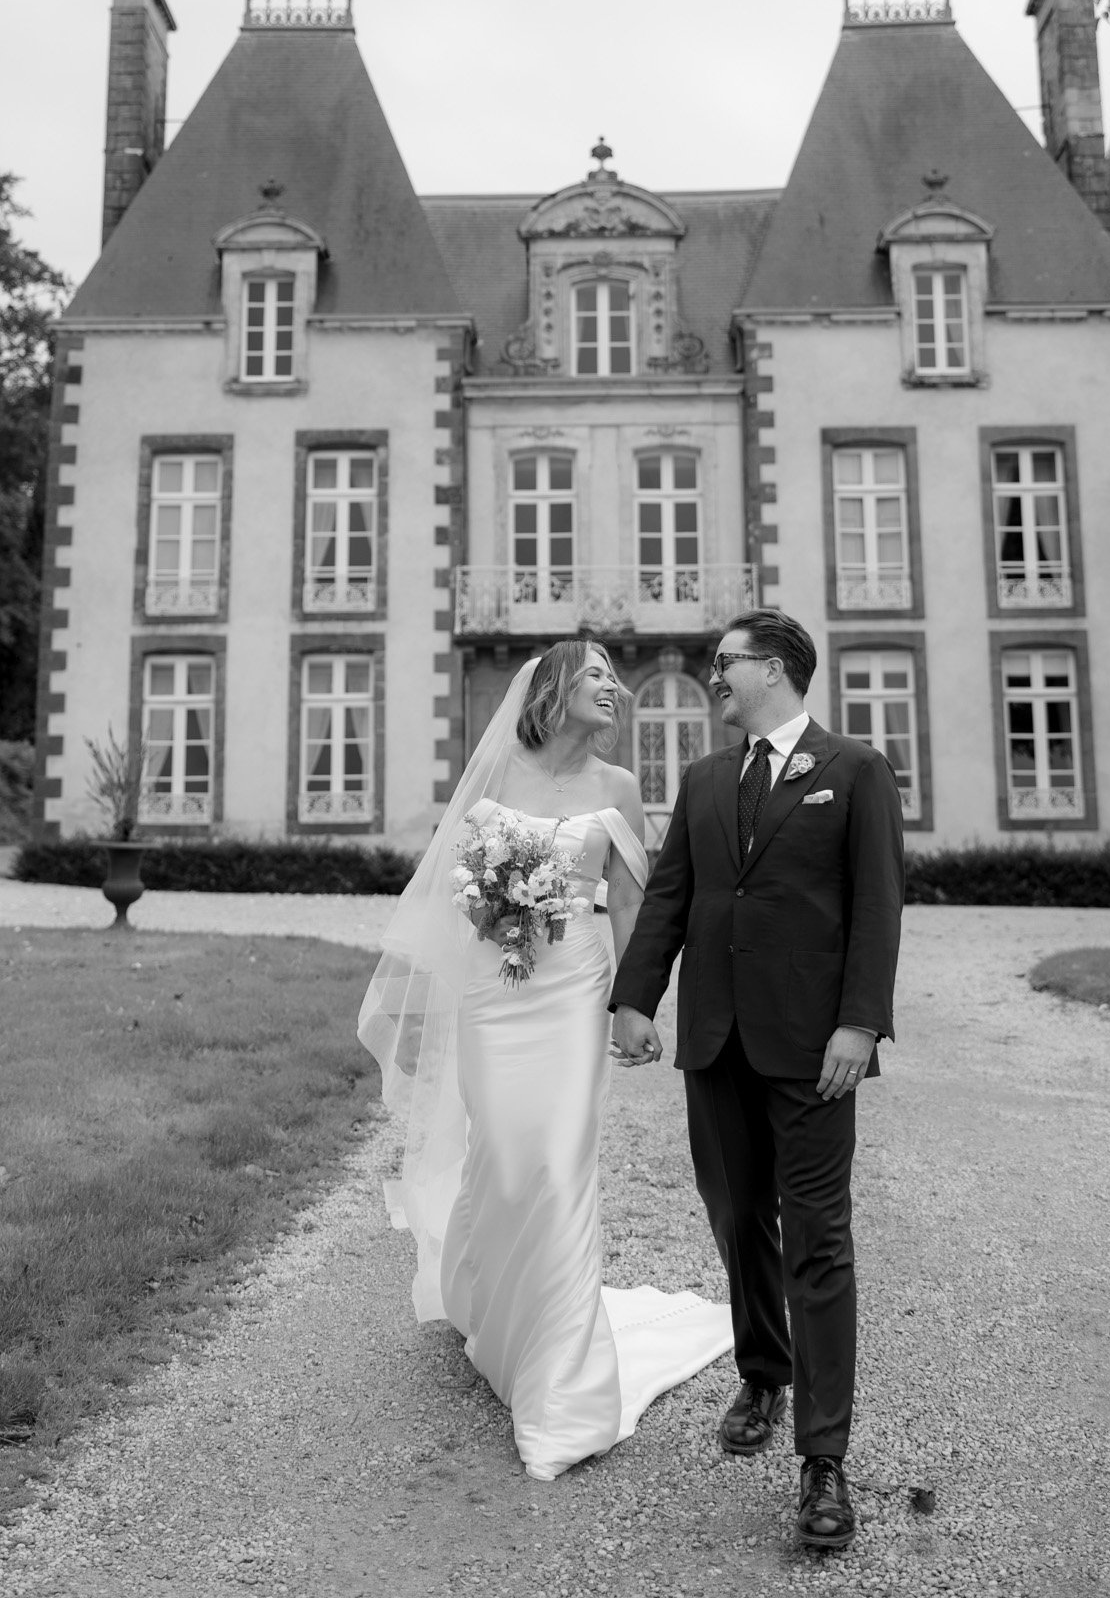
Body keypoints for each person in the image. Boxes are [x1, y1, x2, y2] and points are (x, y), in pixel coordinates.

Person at [358, 640, 732, 1483]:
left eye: (614, 679)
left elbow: (633, 899)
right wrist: (491, 917)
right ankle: (493, 1308)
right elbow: (451, 891)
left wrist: (635, 1004)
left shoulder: (619, 790)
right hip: (497, 988)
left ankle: (563, 1388)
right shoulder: (494, 776)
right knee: (503, 1156)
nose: (614, 690)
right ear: (555, 688)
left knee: (560, 1165)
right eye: (597, 676)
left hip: (571, 988)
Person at [610, 608, 903, 1552]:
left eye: (724, 663)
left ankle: (823, 1462)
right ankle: (763, 1372)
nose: (713, 676)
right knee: (737, 1219)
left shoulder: (852, 771)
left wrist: (859, 1023)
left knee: (818, 1241)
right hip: (715, 1043)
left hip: (816, 1049)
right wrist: (636, 998)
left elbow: (876, 906)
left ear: (771, 670)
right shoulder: (701, 780)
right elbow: (671, 897)